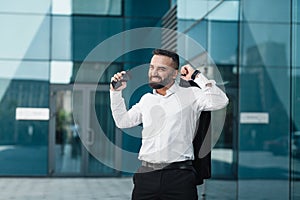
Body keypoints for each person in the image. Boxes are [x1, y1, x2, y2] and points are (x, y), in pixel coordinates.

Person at [110, 49, 229, 200]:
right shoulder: (147, 100)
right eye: (152, 67)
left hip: (179, 177)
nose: (154, 72)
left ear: (174, 73)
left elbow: (221, 100)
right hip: (146, 176)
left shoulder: (190, 95)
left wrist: (196, 76)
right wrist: (115, 93)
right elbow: (123, 121)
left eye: (161, 69)